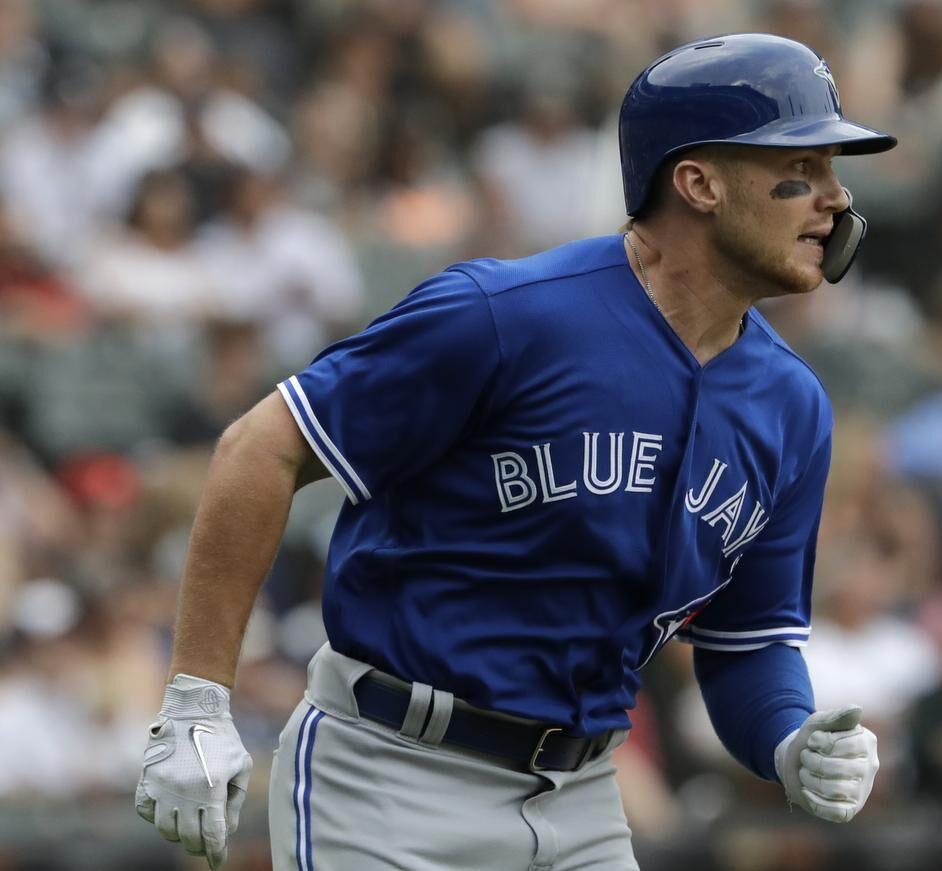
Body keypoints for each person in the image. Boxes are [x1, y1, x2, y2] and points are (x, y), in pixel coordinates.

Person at [134, 34, 897, 870]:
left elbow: (748, 644)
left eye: (832, 171)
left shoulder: (792, 406)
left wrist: (789, 740)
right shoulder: (504, 316)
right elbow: (260, 447)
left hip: (584, 796)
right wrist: (198, 699)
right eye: (803, 167)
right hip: (392, 778)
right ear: (699, 183)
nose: (834, 198)